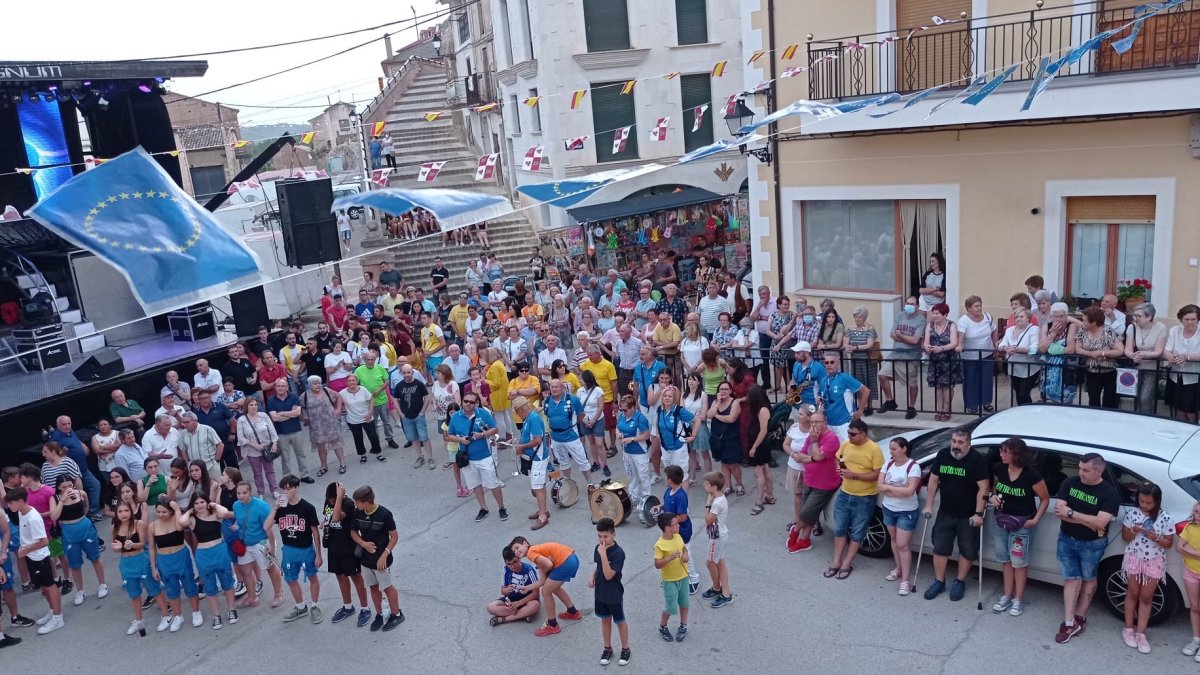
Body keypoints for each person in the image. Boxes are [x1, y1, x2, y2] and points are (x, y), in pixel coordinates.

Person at [1053, 452, 1121, 644]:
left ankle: (1080, 616)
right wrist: (1089, 521)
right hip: (1066, 539)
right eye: (1080, 468)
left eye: (1086, 470)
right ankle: (1069, 622)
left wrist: (1071, 513)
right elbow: (1059, 511)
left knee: (1089, 579)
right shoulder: (1070, 483)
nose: (1081, 473)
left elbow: (1101, 523)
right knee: (1071, 579)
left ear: (1099, 471)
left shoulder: (1109, 493)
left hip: (1092, 544)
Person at [922, 427, 989, 602]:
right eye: (953, 441)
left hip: (968, 515)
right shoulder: (943, 455)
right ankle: (939, 581)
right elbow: (933, 480)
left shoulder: (977, 460)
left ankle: (959, 581)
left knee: (967, 549)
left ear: (968, 444)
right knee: (940, 547)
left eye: (960, 442)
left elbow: (983, 488)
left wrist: (979, 513)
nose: (956, 446)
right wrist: (928, 505)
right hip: (945, 512)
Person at [986, 437, 1050, 617]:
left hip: (1022, 523)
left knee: (1019, 562)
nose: (1001, 454)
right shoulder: (999, 468)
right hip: (1001, 520)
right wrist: (993, 497)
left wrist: (1035, 519)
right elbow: (995, 488)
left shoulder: (1032, 475)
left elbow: (1045, 499)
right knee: (1005, 560)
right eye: (1001, 451)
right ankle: (1007, 595)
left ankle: (1018, 599)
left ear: (1016, 454)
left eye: (1005, 451)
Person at [823, 419, 882, 582]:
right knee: (839, 529)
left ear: (863, 434)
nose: (849, 436)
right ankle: (836, 561)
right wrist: (838, 467)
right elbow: (838, 458)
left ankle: (847, 563)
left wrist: (855, 475)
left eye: (853, 434)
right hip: (844, 493)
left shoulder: (874, 449)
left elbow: (877, 474)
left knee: (857, 531)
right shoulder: (846, 444)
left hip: (864, 497)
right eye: (848, 433)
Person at [8, 487, 65, 634]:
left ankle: (58, 617)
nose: (9, 506)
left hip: (40, 557)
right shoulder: (21, 512)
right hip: (31, 557)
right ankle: (52, 610)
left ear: (21, 501)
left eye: (11, 503)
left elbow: (44, 541)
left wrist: (25, 550)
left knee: (50, 586)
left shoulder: (32, 518)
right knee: (44, 587)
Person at [270, 475, 323, 624]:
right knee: (290, 578)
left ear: (297, 488)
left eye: (288, 488)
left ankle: (314, 606)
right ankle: (300, 607)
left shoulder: (308, 508)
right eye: (284, 489)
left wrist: (318, 554)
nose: (285, 492)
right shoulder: (281, 508)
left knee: (312, 577)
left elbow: (315, 532)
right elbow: (266, 526)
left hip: (306, 550)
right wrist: (275, 508)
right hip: (288, 551)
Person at [350, 485, 404, 631]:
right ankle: (380, 615)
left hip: (381, 560)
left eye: (357, 502)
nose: (355, 504)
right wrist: (364, 544)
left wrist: (384, 555)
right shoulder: (357, 512)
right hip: (365, 559)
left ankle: (397, 614)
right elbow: (353, 532)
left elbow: (394, 537)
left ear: (366, 503)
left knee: (387, 587)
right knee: (373, 587)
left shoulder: (384, 514)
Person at [180, 493, 238, 630]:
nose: (199, 505)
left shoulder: (216, 514)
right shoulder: (192, 519)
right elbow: (181, 522)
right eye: (196, 503)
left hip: (220, 551)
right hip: (203, 555)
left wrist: (215, 504)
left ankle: (231, 609)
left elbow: (225, 513)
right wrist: (189, 511)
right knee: (210, 587)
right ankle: (216, 615)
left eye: (202, 502)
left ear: (207, 502)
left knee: (227, 582)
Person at [49, 475, 108, 606]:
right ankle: (80, 591)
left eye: (70, 485)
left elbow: (86, 507)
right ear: (58, 487)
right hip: (68, 532)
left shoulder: (81, 493)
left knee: (95, 557)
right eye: (64, 487)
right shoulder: (55, 498)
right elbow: (54, 517)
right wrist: (62, 500)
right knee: (74, 563)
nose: (68, 489)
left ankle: (102, 584)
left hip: (85, 527)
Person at [447, 393, 506, 523]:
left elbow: (495, 429)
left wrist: (482, 434)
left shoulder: (483, 413)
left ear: (476, 403)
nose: (468, 404)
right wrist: (460, 440)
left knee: (493, 484)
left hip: (485, 456)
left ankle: (501, 507)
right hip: (467, 458)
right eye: (466, 401)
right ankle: (483, 508)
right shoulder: (455, 417)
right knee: (475, 484)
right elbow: (449, 435)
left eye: (471, 402)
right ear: (462, 402)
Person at [506, 537, 582, 637]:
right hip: (572, 558)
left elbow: (548, 565)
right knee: (553, 588)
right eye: (514, 551)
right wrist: (527, 587)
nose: (516, 552)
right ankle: (573, 612)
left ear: (525, 544)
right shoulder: (537, 553)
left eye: (517, 547)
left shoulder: (531, 552)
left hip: (565, 562)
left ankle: (552, 625)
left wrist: (544, 567)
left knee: (545, 591)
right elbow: (543, 581)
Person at [111, 500, 167, 635]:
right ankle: (139, 620)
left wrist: (132, 544)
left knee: (154, 589)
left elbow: (142, 544)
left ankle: (166, 616)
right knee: (134, 594)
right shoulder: (114, 527)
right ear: (116, 514)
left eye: (126, 510)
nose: (123, 514)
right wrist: (117, 548)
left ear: (131, 512)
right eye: (120, 511)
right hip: (125, 563)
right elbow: (115, 547)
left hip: (141, 560)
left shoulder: (139, 524)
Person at [149, 498, 203, 631]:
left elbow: (180, 527)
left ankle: (196, 612)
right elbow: (151, 547)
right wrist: (153, 567)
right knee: (171, 589)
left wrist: (177, 509)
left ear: (171, 511)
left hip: (181, 556)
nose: (160, 514)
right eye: (158, 512)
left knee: (190, 585)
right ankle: (178, 616)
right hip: (164, 560)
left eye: (164, 512)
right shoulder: (152, 526)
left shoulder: (177, 519)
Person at [323, 482, 370, 626]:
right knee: (341, 577)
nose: (331, 502)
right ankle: (348, 607)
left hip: (348, 549)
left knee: (356, 578)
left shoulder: (348, 504)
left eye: (333, 499)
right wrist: (324, 523)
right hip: (334, 548)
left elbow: (336, 517)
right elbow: (328, 518)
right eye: (330, 499)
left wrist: (339, 498)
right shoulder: (329, 501)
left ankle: (365, 609)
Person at [878, 437, 921, 595]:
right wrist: (898, 490)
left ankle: (906, 580)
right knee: (894, 540)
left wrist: (889, 488)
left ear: (904, 449)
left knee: (903, 544)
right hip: (889, 508)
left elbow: (909, 491)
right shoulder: (888, 464)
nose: (891, 452)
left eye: (894, 449)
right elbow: (879, 487)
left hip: (906, 511)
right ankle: (898, 568)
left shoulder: (913, 466)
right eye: (891, 449)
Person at [231, 481, 284, 609]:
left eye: (244, 493)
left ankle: (278, 594)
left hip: (261, 543)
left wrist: (272, 547)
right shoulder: (236, 505)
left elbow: (269, 528)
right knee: (245, 571)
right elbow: (239, 520)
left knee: (270, 568)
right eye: (238, 493)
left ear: (250, 492)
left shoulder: (262, 506)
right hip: (245, 543)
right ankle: (252, 598)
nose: (241, 496)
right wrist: (236, 526)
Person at [877, 296, 926, 419]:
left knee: (911, 383)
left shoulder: (921, 320)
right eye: (907, 303)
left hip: (911, 356)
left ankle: (911, 407)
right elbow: (892, 334)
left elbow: (915, 341)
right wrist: (905, 338)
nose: (909, 305)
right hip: (895, 354)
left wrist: (901, 336)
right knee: (882, 375)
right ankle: (890, 401)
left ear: (917, 306)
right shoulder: (900, 315)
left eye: (912, 304)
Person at [590, 517, 631, 664]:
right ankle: (607, 648)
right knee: (605, 620)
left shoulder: (618, 553)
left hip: (614, 593)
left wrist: (603, 554)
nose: (602, 540)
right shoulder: (598, 548)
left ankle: (626, 649)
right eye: (599, 536)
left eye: (606, 536)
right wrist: (592, 576)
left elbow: (608, 575)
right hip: (600, 592)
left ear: (613, 535)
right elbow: (599, 567)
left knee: (619, 621)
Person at [1070, 306, 1124, 409]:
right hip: (1091, 371)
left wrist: (1102, 353)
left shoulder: (1108, 331)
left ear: (1094, 322)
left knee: (1109, 402)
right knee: (1093, 400)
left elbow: (1120, 350)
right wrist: (1091, 354)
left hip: (1109, 371)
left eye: (1085, 320)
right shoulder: (1082, 330)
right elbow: (1078, 348)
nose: (1083, 322)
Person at [651, 511, 691, 644]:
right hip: (669, 580)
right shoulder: (659, 545)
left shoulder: (678, 536)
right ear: (667, 528)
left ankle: (683, 625)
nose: (679, 526)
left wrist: (685, 555)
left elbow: (684, 548)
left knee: (684, 603)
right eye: (676, 524)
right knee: (671, 607)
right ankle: (662, 626)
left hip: (683, 576)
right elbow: (657, 564)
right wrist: (668, 558)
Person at [511, 396, 550, 530]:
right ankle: (543, 510)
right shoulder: (529, 418)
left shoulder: (533, 419)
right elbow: (530, 437)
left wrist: (521, 447)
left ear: (521, 409)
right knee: (538, 486)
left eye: (517, 411)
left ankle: (543, 516)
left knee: (537, 488)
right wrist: (520, 442)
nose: (517, 414)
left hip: (538, 458)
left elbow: (537, 440)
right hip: (535, 458)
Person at [1123, 301, 1167, 414]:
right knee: (1135, 396)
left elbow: (1158, 351)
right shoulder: (1132, 327)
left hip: (1151, 368)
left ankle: (1147, 419)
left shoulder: (1160, 328)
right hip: (1135, 368)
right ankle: (1137, 419)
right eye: (1134, 315)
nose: (1135, 318)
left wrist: (1144, 354)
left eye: (1139, 316)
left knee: (1145, 397)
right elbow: (1127, 349)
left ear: (1149, 317)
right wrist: (1132, 355)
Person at [924, 302, 963, 421]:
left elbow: (954, 343)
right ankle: (939, 409)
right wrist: (927, 347)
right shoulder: (930, 325)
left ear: (945, 314)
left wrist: (941, 348)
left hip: (949, 360)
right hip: (935, 360)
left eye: (937, 313)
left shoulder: (951, 325)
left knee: (947, 386)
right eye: (933, 313)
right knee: (938, 386)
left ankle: (946, 409)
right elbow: (926, 341)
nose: (934, 316)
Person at [957, 296, 995, 414]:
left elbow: (994, 331)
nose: (979, 308)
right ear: (968, 308)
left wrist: (995, 345)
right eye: (976, 306)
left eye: (980, 305)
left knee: (987, 379)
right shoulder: (964, 320)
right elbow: (961, 336)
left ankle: (986, 402)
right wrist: (959, 345)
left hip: (987, 353)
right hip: (970, 356)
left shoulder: (987, 317)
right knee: (971, 380)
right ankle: (971, 404)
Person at [819, 352, 869, 442]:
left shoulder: (844, 378)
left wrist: (860, 410)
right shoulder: (823, 380)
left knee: (847, 449)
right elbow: (821, 397)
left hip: (845, 424)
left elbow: (865, 391)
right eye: (826, 363)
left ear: (838, 363)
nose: (829, 365)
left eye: (832, 362)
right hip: (829, 423)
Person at [707, 382, 745, 497]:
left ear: (730, 390)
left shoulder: (734, 402)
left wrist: (717, 415)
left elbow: (731, 418)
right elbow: (709, 415)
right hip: (717, 437)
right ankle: (728, 486)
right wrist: (717, 403)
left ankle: (739, 484)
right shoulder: (715, 402)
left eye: (726, 389)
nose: (723, 391)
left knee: (733, 464)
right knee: (723, 463)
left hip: (731, 437)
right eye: (721, 389)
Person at [700, 472, 732, 608]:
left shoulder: (717, 503)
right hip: (722, 535)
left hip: (717, 538)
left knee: (710, 563)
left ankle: (717, 588)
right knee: (720, 563)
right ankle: (725, 592)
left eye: (707, 483)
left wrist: (708, 504)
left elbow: (708, 520)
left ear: (714, 487)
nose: (704, 485)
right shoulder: (721, 498)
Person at [487, 548, 542, 626]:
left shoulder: (529, 570)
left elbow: (536, 593)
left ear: (519, 558)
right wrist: (506, 590)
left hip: (527, 600)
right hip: (511, 601)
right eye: (509, 564)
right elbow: (503, 591)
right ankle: (522, 615)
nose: (512, 566)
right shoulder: (506, 570)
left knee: (535, 606)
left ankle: (503, 619)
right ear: (505, 562)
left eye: (514, 562)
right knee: (491, 607)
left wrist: (518, 603)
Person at [657, 385, 698, 488]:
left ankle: (683, 497)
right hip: (665, 448)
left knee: (682, 476)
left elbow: (697, 420)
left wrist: (693, 436)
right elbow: (658, 425)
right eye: (665, 396)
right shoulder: (659, 410)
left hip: (679, 448)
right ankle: (673, 495)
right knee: (670, 475)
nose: (667, 398)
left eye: (670, 396)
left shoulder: (679, 410)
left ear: (674, 398)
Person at [998, 308, 1042, 406]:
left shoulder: (1034, 329)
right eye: (1016, 317)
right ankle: (1020, 412)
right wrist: (1006, 348)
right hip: (1013, 367)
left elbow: (1035, 348)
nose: (1018, 319)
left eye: (1021, 316)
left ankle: (1028, 411)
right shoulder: (1010, 330)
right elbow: (1001, 344)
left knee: (1024, 394)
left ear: (1028, 318)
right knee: (1018, 393)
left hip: (1029, 367)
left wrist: (1018, 349)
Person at [1165, 304, 1200, 423]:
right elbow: (1167, 350)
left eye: (1193, 319)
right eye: (1186, 319)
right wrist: (1169, 356)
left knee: (1191, 410)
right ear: (1181, 319)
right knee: (1178, 409)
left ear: (1198, 319)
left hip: (1194, 377)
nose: (1190, 322)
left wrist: (1187, 357)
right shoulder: (1174, 330)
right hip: (1176, 375)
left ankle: (1193, 430)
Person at [392, 364, 433, 469]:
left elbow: (427, 397)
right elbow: (395, 399)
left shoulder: (419, 384)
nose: (406, 375)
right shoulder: (399, 386)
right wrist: (400, 413)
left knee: (424, 437)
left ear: (413, 372)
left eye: (408, 372)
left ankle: (430, 458)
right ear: (401, 373)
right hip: (406, 417)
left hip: (419, 416)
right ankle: (420, 457)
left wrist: (422, 411)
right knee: (413, 438)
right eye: (404, 373)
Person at [237, 398, 279, 497]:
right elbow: (241, 437)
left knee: (270, 470)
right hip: (252, 451)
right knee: (257, 473)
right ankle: (261, 492)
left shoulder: (263, 416)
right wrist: (253, 445)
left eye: (255, 404)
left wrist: (274, 443)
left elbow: (272, 430)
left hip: (267, 448)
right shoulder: (242, 420)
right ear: (246, 406)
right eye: (251, 405)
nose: (254, 407)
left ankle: (274, 490)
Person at [1176, 500, 1200, 661]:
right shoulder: (1189, 528)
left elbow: (1184, 548)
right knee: (1195, 606)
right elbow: (1179, 547)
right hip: (1190, 572)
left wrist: (1189, 550)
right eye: (1196, 512)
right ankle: (1196, 639)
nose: (1197, 516)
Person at [745, 386, 773, 514]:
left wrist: (754, 447)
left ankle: (759, 502)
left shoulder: (762, 410)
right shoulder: (758, 409)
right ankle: (769, 496)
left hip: (760, 444)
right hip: (758, 443)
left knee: (758, 472)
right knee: (765, 469)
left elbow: (763, 431)